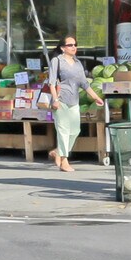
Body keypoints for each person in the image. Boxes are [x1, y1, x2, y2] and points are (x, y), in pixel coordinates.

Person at [45, 35, 103, 173]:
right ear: (62, 48)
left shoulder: (77, 63)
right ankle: (64, 161)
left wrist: (96, 97)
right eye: (70, 45)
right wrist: (55, 100)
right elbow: (51, 83)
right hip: (61, 100)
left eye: (75, 44)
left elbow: (84, 83)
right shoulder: (57, 61)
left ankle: (58, 151)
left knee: (75, 130)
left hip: (74, 101)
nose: (73, 47)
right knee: (63, 130)